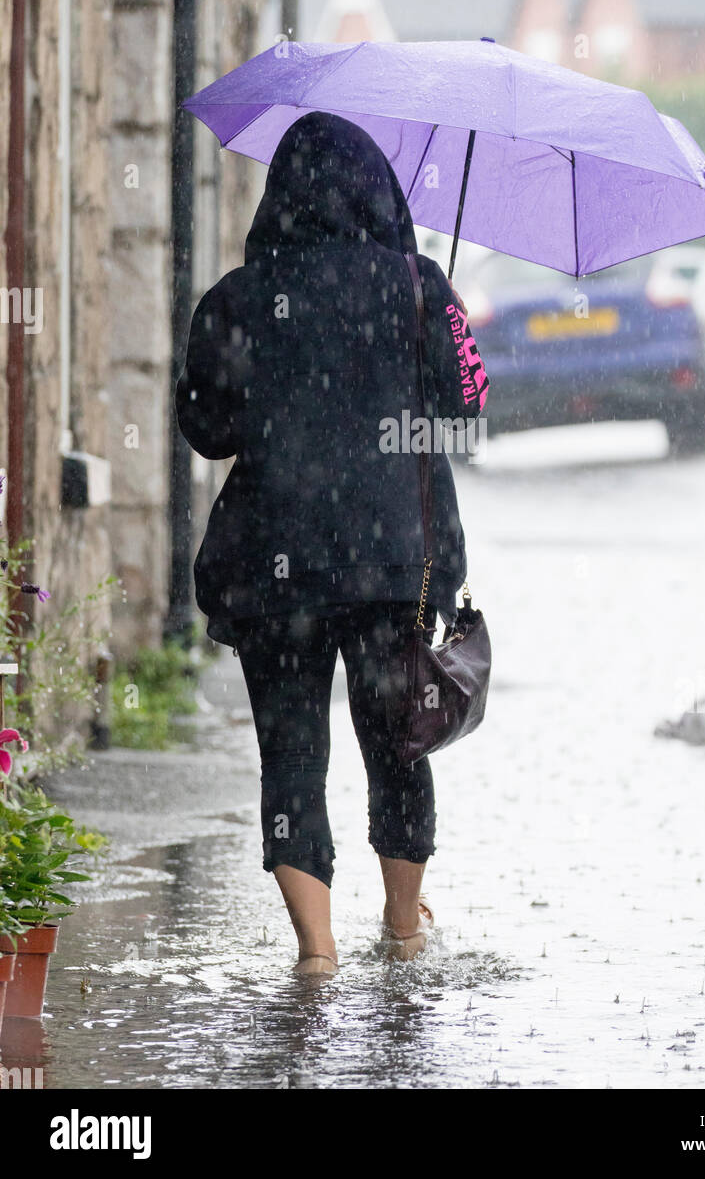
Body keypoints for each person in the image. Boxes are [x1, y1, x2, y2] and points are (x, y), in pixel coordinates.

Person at [176, 112, 488, 974]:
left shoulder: (240, 298)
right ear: (379, 193)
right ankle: (402, 927)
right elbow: (468, 407)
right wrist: (434, 319)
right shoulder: (421, 284)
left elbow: (205, 429)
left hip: (277, 563)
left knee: (292, 755)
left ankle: (316, 951)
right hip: (397, 561)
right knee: (397, 747)